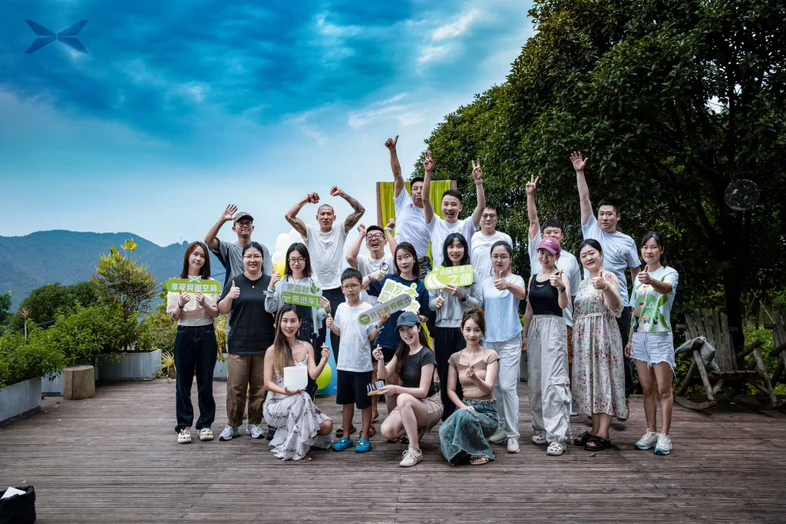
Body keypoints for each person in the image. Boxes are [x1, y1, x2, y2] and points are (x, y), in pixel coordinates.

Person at [573, 152, 641, 402]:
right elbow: (584, 198)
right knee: (593, 353)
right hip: (592, 303)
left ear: (617, 217)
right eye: (601, 213)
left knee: (619, 351)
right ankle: (596, 400)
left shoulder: (627, 241)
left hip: (618, 304)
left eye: (609, 214)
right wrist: (580, 172)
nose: (604, 217)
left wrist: (636, 302)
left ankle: (621, 399)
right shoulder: (590, 228)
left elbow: (635, 272)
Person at [286, 187, 365, 362]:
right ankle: (310, 376)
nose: (326, 217)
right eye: (322, 214)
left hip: (336, 290)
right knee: (315, 336)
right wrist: (307, 200)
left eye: (329, 214)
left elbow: (360, 210)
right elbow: (289, 216)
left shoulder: (340, 229)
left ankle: (343, 371)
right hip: (315, 291)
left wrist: (342, 194)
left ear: (334, 217)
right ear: (317, 218)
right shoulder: (310, 232)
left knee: (339, 336)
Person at [216, 242, 276, 442]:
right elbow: (222, 309)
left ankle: (254, 424)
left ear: (262, 259)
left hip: (264, 344)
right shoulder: (235, 282)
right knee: (236, 388)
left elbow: (278, 309)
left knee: (260, 388)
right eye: (249, 256)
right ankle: (232, 424)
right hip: (239, 343)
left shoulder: (269, 282)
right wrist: (230, 297)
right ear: (242, 260)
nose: (253, 260)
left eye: (256, 256)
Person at [572, 239, 628, 451]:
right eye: (584, 255)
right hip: (584, 339)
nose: (588, 257)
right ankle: (595, 429)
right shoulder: (583, 283)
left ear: (601, 255)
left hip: (603, 335)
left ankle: (604, 432)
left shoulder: (609, 277)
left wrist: (606, 287)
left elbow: (616, 307)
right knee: (592, 381)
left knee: (603, 378)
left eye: (592, 253)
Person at [364, 242, 431, 416]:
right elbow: (362, 286)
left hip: (409, 343)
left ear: (414, 259)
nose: (404, 261)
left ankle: (406, 421)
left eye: (407, 257)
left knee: (406, 385)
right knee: (391, 385)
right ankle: (393, 421)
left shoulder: (421, 287)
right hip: (387, 340)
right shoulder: (389, 281)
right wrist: (371, 276)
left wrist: (420, 317)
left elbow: (426, 315)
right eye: (399, 258)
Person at [263, 305, 333, 462]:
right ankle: (298, 450)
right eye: (285, 321)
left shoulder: (307, 346)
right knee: (302, 397)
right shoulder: (272, 350)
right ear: (278, 322)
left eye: (293, 321)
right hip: (276, 404)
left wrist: (324, 360)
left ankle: (292, 435)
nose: (289, 325)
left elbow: (313, 374)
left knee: (327, 425)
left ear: (300, 323)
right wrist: (285, 392)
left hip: (300, 402)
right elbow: (267, 383)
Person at [630, 232, 679, 456]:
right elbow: (635, 310)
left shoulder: (669, 273)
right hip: (640, 336)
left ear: (661, 250)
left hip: (660, 335)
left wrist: (651, 281)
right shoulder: (638, 277)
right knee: (647, 388)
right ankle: (650, 431)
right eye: (645, 247)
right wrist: (630, 338)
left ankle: (664, 435)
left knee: (664, 389)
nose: (649, 251)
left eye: (653, 247)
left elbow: (666, 289)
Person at [327, 268, 385, 453]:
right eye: (347, 286)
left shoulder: (367, 309)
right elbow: (340, 332)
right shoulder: (340, 308)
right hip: (344, 363)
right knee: (346, 402)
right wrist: (331, 326)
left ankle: (364, 437)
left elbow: (371, 336)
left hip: (362, 365)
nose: (350, 289)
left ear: (361, 287)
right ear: (342, 289)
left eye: (354, 285)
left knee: (365, 403)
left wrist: (380, 323)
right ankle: (346, 437)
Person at [522, 237, 572, 456]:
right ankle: (540, 427)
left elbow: (564, 305)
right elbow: (529, 309)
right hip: (536, 328)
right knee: (536, 379)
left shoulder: (561, 276)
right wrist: (524, 334)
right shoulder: (533, 278)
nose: (544, 257)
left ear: (557, 256)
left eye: (549, 254)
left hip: (554, 327)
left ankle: (557, 436)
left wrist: (561, 288)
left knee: (554, 380)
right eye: (541, 253)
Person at [373, 312, 442, 467]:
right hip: (410, 403)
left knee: (402, 398)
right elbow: (383, 374)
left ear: (418, 328)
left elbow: (423, 392)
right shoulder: (401, 352)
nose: (406, 333)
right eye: (402, 329)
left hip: (430, 404)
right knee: (387, 431)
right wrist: (381, 360)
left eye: (409, 328)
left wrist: (397, 389)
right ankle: (416, 428)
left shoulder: (427, 354)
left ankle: (414, 450)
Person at [167, 241, 220, 444]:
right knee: (183, 383)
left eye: (202, 256)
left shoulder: (211, 284)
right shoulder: (177, 283)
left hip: (206, 332)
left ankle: (205, 424)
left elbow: (216, 313)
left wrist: (204, 302)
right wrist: (180, 304)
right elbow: (174, 317)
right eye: (195, 254)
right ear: (188, 256)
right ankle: (184, 426)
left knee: (206, 382)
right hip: (185, 333)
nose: (198, 258)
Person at [264, 242, 331, 400]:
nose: (296, 263)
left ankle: (307, 402)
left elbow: (319, 314)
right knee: (285, 370)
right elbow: (269, 307)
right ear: (288, 261)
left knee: (308, 374)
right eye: (293, 259)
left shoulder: (314, 285)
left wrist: (327, 310)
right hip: (286, 333)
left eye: (300, 259)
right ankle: (285, 402)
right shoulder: (281, 284)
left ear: (306, 260)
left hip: (308, 333)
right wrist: (271, 287)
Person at [429, 233, 482, 420]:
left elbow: (479, 304)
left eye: (459, 246)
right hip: (443, 328)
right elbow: (430, 302)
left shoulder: (471, 273)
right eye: (451, 246)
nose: (455, 250)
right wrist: (436, 303)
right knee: (445, 373)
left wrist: (462, 296)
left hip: (465, 330)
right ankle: (448, 417)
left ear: (465, 250)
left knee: (464, 373)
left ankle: (464, 415)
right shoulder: (438, 273)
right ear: (446, 250)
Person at [439, 308, 501, 466]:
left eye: (477, 330)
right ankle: (461, 453)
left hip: (487, 413)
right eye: (468, 329)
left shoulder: (490, 355)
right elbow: (450, 390)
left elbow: (488, 388)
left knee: (464, 417)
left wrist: (474, 378)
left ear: (482, 332)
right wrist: (464, 408)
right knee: (444, 429)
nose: (472, 334)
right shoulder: (455, 358)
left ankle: (483, 452)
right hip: (465, 407)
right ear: (461, 330)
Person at [482, 241, 527, 453]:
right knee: (496, 387)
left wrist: (507, 285)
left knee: (508, 386)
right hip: (489, 340)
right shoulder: (485, 283)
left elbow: (522, 294)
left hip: (510, 339)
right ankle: (502, 428)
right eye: (495, 256)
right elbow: (479, 306)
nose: (499, 260)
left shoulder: (516, 280)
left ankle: (513, 434)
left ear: (510, 259)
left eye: (503, 256)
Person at [422, 153, 486, 268]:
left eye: (453, 204)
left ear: (460, 208)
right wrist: (428, 173)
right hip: (440, 277)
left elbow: (481, 206)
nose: (449, 208)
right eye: (446, 204)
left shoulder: (467, 225)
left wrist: (478, 181)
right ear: (441, 206)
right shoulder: (435, 223)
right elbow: (425, 200)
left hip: (463, 276)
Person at [386, 135, 431, 276]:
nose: (419, 191)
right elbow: (397, 175)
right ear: (411, 192)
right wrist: (392, 151)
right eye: (415, 188)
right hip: (401, 262)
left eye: (422, 188)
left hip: (422, 264)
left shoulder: (431, 214)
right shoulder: (404, 201)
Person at [205, 205, 273, 287]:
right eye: (241, 223)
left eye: (248, 223)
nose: (245, 226)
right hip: (234, 291)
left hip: (256, 291)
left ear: (252, 228)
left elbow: (269, 274)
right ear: (234, 229)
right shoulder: (228, 248)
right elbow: (208, 241)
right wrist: (222, 220)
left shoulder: (261, 248)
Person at [346, 224, 396, 305]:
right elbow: (350, 257)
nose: (373, 238)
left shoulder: (390, 258)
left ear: (385, 242)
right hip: (369, 308)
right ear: (366, 245)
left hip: (390, 307)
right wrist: (362, 234)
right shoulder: (362, 261)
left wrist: (387, 231)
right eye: (369, 237)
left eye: (378, 235)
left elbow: (399, 254)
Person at [470, 204, 513, 283]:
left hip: (499, 285)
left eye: (492, 216)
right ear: (479, 218)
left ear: (497, 219)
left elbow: (509, 266)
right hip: (476, 285)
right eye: (484, 215)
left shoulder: (506, 238)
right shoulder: (471, 238)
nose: (488, 219)